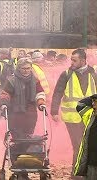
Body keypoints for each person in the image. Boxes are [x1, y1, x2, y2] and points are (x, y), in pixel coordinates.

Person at [51, 49, 97, 179]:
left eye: (74, 60)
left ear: (83, 60)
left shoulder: (93, 74)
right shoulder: (66, 74)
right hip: (72, 118)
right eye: (71, 59)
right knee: (78, 145)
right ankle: (76, 175)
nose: (71, 62)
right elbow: (57, 93)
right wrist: (54, 111)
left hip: (90, 117)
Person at [0, 58, 46, 179]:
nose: (26, 71)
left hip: (30, 116)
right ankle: (21, 171)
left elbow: (40, 93)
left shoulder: (35, 80)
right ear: (18, 69)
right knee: (18, 141)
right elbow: (5, 94)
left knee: (27, 140)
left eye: (28, 68)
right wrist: (4, 103)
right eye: (23, 68)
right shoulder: (12, 80)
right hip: (15, 116)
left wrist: (41, 103)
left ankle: (23, 167)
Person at [74, 94, 97, 179]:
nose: (93, 104)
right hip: (91, 161)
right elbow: (80, 104)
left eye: (95, 102)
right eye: (93, 102)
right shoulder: (90, 115)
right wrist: (92, 97)